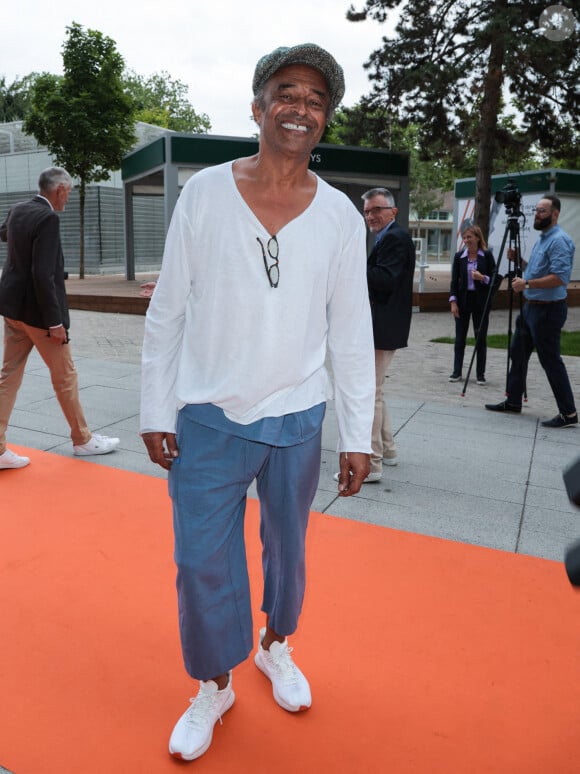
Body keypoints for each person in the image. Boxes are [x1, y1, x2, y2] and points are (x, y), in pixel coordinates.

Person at [140, 44, 375, 762]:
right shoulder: (205, 194)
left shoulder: (339, 216)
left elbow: (352, 331)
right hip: (207, 416)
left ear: (324, 119)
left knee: (288, 552)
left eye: (314, 99)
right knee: (201, 561)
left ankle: (276, 645)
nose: (299, 107)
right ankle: (214, 684)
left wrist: (355, 432)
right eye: (286, 92)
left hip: (298, 418)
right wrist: (156, 408)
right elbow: (168, 310)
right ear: (257, 105)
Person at [0, 167, 120, 469]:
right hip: (39, 316)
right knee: (65, 377)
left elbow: (4, 233)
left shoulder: (18, 209)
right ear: (60, 190)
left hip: (12, 310)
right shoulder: (48, 218)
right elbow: (43, 274)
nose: (68, 197)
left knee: (8, 377)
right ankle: (82, 440)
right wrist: (55, 322)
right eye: (69, 192)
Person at [333, 187, 415, 483]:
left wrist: (348, 266)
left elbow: (385, 279)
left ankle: (374, 463)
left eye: (377, 209)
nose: (371, 216)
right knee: (376, 391)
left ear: (393, 211)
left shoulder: (394, 238)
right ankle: (389, 451)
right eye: (367, 211)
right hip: (382, 327)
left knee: (370, 395)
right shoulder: (389, 237)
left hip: (382, 328)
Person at [485, 194, 577, 428]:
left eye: (542, 211)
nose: (537, 214)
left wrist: (525, 284)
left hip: (548, 311)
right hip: (530, 309)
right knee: (517, 353)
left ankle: (568, 413)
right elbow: (536, 271)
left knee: (551, 361)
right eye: (536, 210)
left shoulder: (559, 240)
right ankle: (513, 401)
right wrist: (521, 262)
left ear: (555, 214)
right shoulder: (543, 238)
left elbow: (559, 278)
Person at [448, 224, 496, 385]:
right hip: (463, 301)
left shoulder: (487, 256)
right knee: (460, 338)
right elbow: (454, 281)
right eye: (464, 237)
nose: (466, 240)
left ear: (477, 237)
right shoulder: (459, 256)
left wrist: (482, 278)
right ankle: (456, 372)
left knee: (480, 338)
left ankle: (480, 374)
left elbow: (495, 279)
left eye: (469, 237)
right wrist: (453, 301)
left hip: (480, 301)